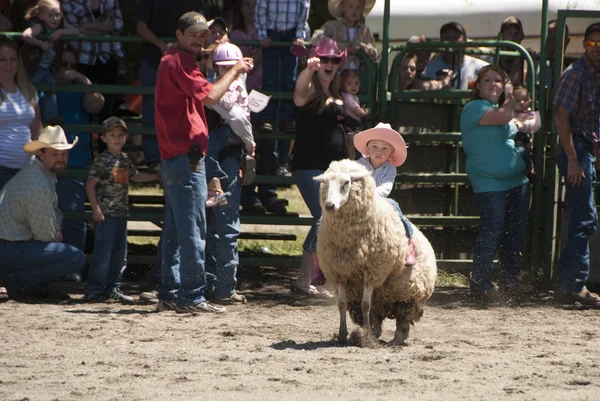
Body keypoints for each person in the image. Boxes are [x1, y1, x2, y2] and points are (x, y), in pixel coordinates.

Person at [154, 11, 252, 313]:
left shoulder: (173, 59)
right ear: (180, 34)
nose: (199, 39)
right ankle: (192, 295)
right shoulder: (179, 62)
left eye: (202, 34)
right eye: (193, 34)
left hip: (178, 157)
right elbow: (211, 96)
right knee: (193, 228)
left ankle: (170, 292)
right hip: (187, 158)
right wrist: (235, 69)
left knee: (175, 228)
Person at [291, 37, 356, 297]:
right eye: (324, 59)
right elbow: (298, 92)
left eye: (333, 59)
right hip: (309, 166)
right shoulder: (309, 89)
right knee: (322, 218)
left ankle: (316, 279)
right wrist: (309, 68)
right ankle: (303, 280)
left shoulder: (338, 92)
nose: (328, 63)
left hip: (333, 171)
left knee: (328, 220)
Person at [460, 65, 530, 301]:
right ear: (478, 86)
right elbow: (503, 116)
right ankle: (481, 285)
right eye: (487, 80)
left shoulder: (500, 109)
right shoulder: (473, 108)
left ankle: (510, 283)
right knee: (492, 230)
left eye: (498, 81)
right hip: (489, 183)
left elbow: (507, 126)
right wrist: (510, 93)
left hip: (516, 180)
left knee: (514, 234)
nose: (493, 84)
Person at [0, 126, 85, 302]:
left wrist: (55, 229)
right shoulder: (38, 181)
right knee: (75, 257)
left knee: (63, 251)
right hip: (10, 246)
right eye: (55, 154)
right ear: (41, 154)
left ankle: (26, 282)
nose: (61, 159)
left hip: (11, 244)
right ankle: (20, 280)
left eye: (64, 154)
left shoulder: (38, 173)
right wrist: (55, 232)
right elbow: (44, 233)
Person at [85, 117, 160, 303]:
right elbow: (90, 185)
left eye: (120, 135)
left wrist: (156, 176)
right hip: (106, 214)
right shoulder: (102, 160)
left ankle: (112, 288)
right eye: (112, 135)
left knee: (120, 254)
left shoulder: (124, 159)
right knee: (104, 252)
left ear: (126, 137)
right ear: (104, 138)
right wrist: (96, 209)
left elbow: (135, 177)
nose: (116, 139)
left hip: (121, 214)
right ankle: (94, 289)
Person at [553, 22, 600, 305]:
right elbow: (562, 117)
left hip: (586, 147)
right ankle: (573, 283)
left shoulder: (592, 74)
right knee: (584, 217)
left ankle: (568, 283)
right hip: (576, 148)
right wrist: (573, 158)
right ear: (585, 45)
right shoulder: (576, 74)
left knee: (584, 217)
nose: (596, 49)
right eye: (592, 44)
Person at [135, 1, 206, 175]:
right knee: (153, 108)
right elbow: (141, 27)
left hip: (183, 58)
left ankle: (182, 152)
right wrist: (161, 45)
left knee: (187, 107)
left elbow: (203, 25)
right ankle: (154, 159)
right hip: (155, 58)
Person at [54, 49, 104, 253]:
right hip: (52, 163)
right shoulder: (44, 88)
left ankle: (73, 264)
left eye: (72, 66)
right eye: (63, 65)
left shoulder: (79, 88)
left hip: (78, 161)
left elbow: (96, 106)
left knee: (75, 216)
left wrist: (84, 80)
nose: (68, 71)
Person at [353, 122, 416, 266]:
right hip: (358, 200)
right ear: (367, 148)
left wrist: (369, 196)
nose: (378, 152)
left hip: (379, 200)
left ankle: (408, 243)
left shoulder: (390, 169)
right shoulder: (358, 164)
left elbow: (386, 188)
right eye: (374, 146)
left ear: (390, 153)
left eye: (384, 148)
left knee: (395, 206)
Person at [205, 42, 256, 207]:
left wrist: (213, 96)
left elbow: (226, 103)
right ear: (216, 68)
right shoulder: (223, 80)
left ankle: (215, 186)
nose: (228, 71)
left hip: (232, 130)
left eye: (232, 67)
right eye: (224, 68)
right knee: (209, 148)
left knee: (208, 148)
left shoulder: (234, 82)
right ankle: (216, 184)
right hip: (231, 128)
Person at [62, 0, 125, 120]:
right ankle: (87, 138)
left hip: (107, 57)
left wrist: (85, 26)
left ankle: (104, 139)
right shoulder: (68, 2)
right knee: (84, 106)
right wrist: (105, 26)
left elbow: (117, 24)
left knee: (107, 109)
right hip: (82, 57)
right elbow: (73, 29)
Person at [255, 0, 310, 132]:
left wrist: (299, 36)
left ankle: (288, 117)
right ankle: (267, 117)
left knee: (289, 80)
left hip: (291, 36)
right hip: (271, 34)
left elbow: (303, 13)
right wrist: (262, 34)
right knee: (269, 80)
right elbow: (260, 11)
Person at [21, 0, 79, 124]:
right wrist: (41, 44)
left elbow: (76, 31)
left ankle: (51, 116)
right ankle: (27, 115)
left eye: (57, 15)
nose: (55, 18)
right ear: (41, 16)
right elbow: (26, 35)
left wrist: (61, 32)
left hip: (46, 68)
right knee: (31, 91)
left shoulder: (60, 24)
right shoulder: (40, 26)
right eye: (50, 16)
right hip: (35, 67)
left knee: (51, 88)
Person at [0, 39, 43, 190]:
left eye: (13, 59)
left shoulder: (29, 91)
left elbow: (37, 128)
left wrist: (41, 159)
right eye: (2, 59)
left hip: (28, 167)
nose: (8, 64)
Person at [423, 21, 488, 90]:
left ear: (465, 40)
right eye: (446, 38)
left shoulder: (481, 67)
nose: (451, 41)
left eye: (455, 37)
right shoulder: (429, 67)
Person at [320, 0, 377, 70]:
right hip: (337, 75)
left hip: (358, 76)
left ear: (362, 9)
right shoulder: (331, 26)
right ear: (342, 7)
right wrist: (341, 47)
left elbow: (374, 52)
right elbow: (317, 39)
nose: (354, 10)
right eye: (350, 6)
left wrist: (362, 48)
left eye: (358, 7)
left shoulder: (365, 31)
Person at [512, 85, 540, 179]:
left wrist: (519, 125)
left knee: (522, 151)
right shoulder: (509, 112)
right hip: (508, 139)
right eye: (517, 100)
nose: (522, 103)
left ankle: (530, 168)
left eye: (525, 99)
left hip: (520, 139)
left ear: (530, 100)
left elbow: (529, 125)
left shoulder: (530, 114)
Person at [340, 69, 369, 159]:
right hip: (349, 126)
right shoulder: (348, 97)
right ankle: (350, 161)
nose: (353, 86)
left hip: (353, 126)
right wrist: (365, 112)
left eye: (356, 83)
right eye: (349, 83)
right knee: (351, 146)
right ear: (342, 84)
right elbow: (356, 110)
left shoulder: (351, 96)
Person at [498, 16, 526, 85]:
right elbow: (510, 83)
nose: (513, 37)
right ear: (502, 35)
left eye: (516, 33)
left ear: (522, 36)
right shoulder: (495, 55)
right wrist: (519, 57)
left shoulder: (523, 53)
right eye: (509, 33)